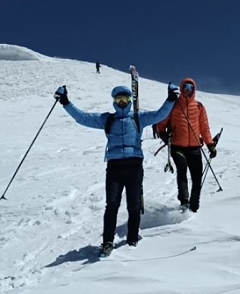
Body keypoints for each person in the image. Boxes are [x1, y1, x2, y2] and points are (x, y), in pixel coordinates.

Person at [54, 83, 180, 255]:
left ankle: (132, 238)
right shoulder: (107, 119)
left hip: (134, 166)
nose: (122, 102)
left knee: (134, 205)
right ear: (114, 101)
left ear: (129, 100)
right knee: (112, 205)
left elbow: (160, 115)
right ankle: (107, 241)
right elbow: (82, 118)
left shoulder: (138, 118)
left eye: (125, 99)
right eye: (118, 99)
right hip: (114, 168)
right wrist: (65, 102)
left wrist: (170, 98)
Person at [156, 78, 216, 213]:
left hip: (195, 147)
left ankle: (194, 206)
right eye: (185, 87)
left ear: (194, 90)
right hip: (177, 146)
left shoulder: (199, 107)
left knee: (197, 177)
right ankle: (184, 201)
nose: (188, 90)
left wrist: (210, 145)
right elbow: (162, 122)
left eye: (191, 87)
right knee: (182, 170)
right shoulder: (174, 105)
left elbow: (204, 128)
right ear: (182, 88)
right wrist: (162, 133)